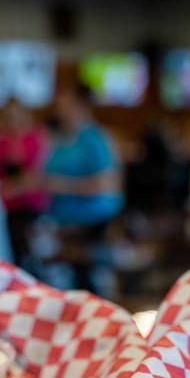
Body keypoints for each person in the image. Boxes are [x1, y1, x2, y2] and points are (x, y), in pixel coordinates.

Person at [45, 84, 124, 291]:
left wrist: (62, 185)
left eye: (65, 105)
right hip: (56, 219)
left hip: (91, 219)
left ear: (81, 107)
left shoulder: (94, 139)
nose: (59, 110)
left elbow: (108, 184)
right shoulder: (58, 138)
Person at [0, 99, 49, 268]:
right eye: (9, 116)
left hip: (28, 203)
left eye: (17, 115)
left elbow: (37, 175)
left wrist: (10, 189)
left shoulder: (35, 138)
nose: (13, 120)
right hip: (2, 203)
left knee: (16, 235)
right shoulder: (0, 140)